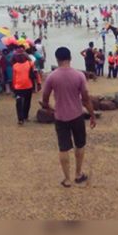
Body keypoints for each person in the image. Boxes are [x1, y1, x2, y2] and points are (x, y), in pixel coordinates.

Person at [40, 47, 96, 188]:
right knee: (80, 144)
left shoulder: (52, 77)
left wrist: (49, 107)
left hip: (60, 116)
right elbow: (85, 98)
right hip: (77, 114)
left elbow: (45, 98)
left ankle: (67, 179)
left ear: (57, 59)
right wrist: (92, 115)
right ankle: (78, 174)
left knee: (63, 148)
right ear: (70, 58)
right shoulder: (79, 76)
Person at [12, 50, 41, 125]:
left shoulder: (30, 64)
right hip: (18, 87)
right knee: (18, 103)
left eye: (21, 55)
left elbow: (36, 74)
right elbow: (14, 77)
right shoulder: (15, 66)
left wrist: (39, 83)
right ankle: (20, 119)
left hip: (28, 86)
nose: (20, 57)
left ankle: (25, 116)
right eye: (18, 56)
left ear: (25, 56)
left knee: (27, 102)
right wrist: (13, 87)